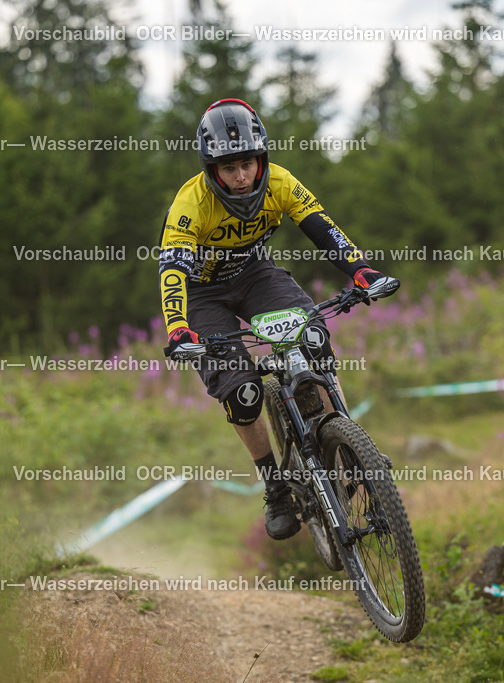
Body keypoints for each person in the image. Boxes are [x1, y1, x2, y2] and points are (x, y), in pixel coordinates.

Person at [159, 98, 398, 540]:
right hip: (202, 293)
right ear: (211, 168)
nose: (240, 176)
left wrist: (362, 272)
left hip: (254, 276)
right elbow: (173, 270)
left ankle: (349, 446)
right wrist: (178, 327)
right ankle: (275, 486)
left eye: (247, 163)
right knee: (243, 391)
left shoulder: (281, 182)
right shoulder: (190, 204)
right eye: (228, 168)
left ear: (261, 158)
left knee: (312, 340)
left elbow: (323, 228)